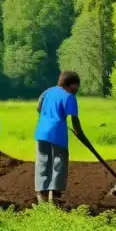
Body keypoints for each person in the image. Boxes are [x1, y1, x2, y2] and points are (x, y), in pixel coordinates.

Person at [34, 70, 92, 204]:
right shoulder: (69, 96)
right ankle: (54, 197)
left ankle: (41, 197)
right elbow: (74, 119)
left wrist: (48, 116)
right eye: (77, 86)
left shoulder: (47, 92)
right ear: (72, 85)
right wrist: (80, 134)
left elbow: (38, 108)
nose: (77, 89)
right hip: (57, 133)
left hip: (41, 131)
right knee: (58, 163)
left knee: (43, 161)